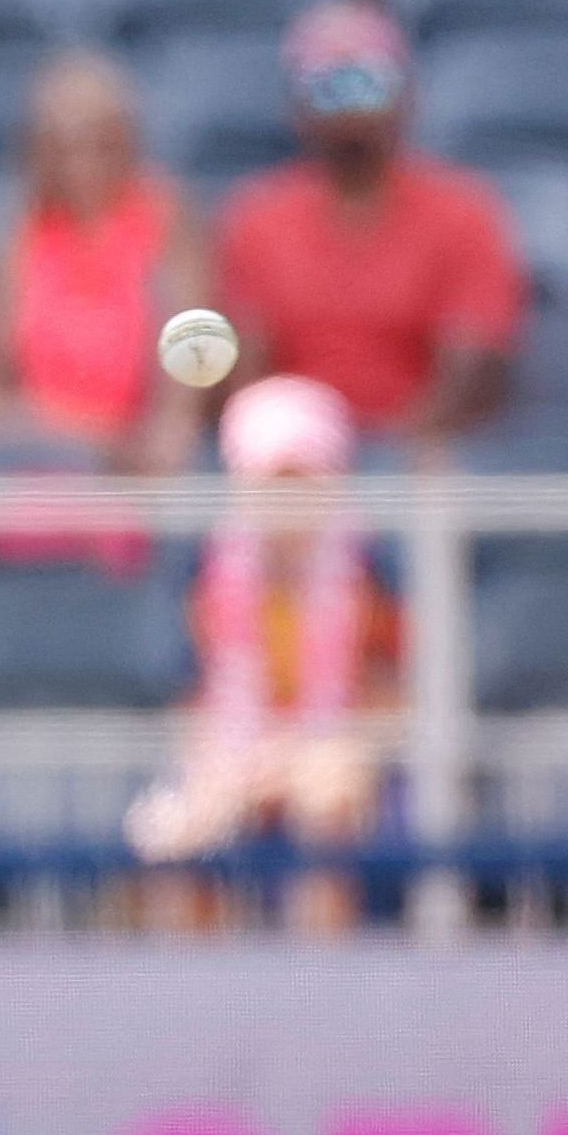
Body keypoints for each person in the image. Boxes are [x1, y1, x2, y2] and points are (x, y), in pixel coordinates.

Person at [125, 374, 398, 933]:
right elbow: (188, 699)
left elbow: (396, 696)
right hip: (233, 751)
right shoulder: (202, 577)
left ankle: (323, 986)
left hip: (338, 751)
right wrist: (239, 766)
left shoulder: (374, 576)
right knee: (183, 824)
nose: (285, 505)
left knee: (328, 796)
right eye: (271, 485)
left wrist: (299, 754)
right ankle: (197, 995)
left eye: (301, 483)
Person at [217, 1, 525, 467]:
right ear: (296, 106)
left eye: (367, 85)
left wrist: (393, 456)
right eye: (328, 89)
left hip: (418, 453)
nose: (350, 109)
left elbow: (475, 365)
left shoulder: (463, 212)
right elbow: (250, 371)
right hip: (293, 462)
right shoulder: (257, 218)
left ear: (406, 97)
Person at [0, 50, 209, 476]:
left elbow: (189, 370)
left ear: (128, 138)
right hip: (42, 463)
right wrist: (83, 439)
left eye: (100, 141)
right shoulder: (19, 232)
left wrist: (158, 441)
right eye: (62, 142)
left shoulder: (166, 216)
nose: (82, 160)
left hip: (135, 473)